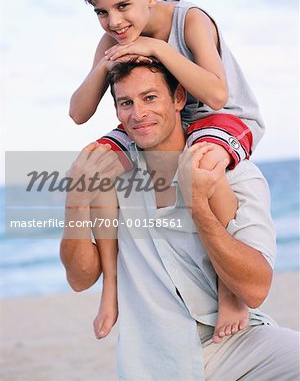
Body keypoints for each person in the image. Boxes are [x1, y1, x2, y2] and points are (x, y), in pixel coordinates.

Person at [70, 0, 266, 342]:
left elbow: (216, 94)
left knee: (202, 163)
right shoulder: (113, 40)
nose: (114, 22)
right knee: (96, 163)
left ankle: (230, 290)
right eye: (102, 13)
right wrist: (105, 63)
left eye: (123, 6)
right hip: (159, 120)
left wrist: (156, 48)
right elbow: (78, 113)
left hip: (220, 119)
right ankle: (111, 290)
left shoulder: (190, 20)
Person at [61, 60, 299, 380]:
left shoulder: (236, 173)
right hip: (153, 359)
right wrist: (75, 204)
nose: (138, 113)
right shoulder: (113, 176)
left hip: (237, 341)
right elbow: (79, 279)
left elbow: (255, 289)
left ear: (178, 99)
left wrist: (198, 204)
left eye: (150, 98)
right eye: (126, 103)